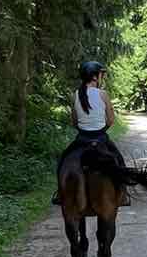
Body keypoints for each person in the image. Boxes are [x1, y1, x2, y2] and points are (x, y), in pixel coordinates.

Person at [52, 59, 130, 204]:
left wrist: (84, 130)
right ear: (95, 76)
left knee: (63, 160)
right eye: (101, 74)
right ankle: (124, 194)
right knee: (119, 160)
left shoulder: (75, 94)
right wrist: (101, 130)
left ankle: (59, 194)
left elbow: (74, 121)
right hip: (100, 138)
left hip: (81, 139)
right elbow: (111, 120)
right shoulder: (103, 94)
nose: (102, 77)